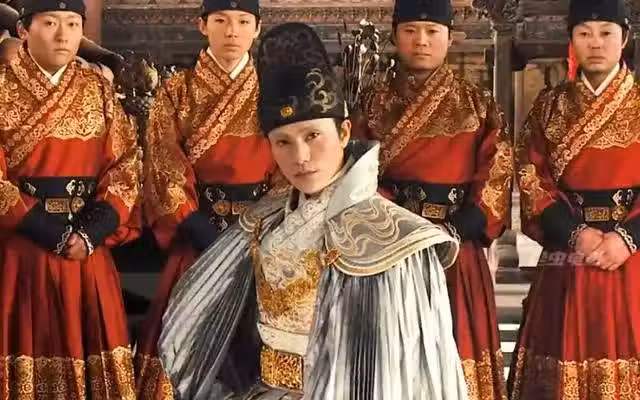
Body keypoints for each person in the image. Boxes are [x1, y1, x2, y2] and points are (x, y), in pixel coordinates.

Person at [154, 22, 469, 399]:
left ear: (345, 132)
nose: (300, 157)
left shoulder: (395, 241)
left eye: (313, 136)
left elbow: (407, 374)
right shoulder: (262, 223)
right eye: (283, 142)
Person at [352, 0, 513, 397]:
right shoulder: (371, 104)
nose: (421, 41)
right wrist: (400, 227)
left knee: (457, 351)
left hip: (456, 249)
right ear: (395, 36)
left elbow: (497, 172)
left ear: (450, 38)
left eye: (431, 32)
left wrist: (457, 229)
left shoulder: (478, 104)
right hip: (391, 247)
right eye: (410, 31)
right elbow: (356, 172)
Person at [135, 0, 279, 397]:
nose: (232, 31)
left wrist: (267, 226)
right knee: (185, 344)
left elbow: (291, 163)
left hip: (262, 240)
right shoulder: (176, 91)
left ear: (257, 28)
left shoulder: (273, 91)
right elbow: (164, 164)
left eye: (243, 21)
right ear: (203, 25)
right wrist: (198, 227)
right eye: (221, 20)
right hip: (198, 236)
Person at [0, 0, 141, 397]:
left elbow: (125, 166)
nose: (63, 35)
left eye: (73, 24)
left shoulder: (98, 89)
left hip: (87, 248)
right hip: (22, 248)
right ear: (23, 30)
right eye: (49, 23)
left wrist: (94, 230)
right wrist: (48, 232)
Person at [510, 0, 640, 397]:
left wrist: (628, 238)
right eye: (584, 33)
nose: (595, 43)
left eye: (606, 33)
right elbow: (530, 177)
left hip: (632, 258)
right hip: (566, 257)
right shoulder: (548, 106)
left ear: (625, 38)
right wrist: (575, 233)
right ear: (572, 40)